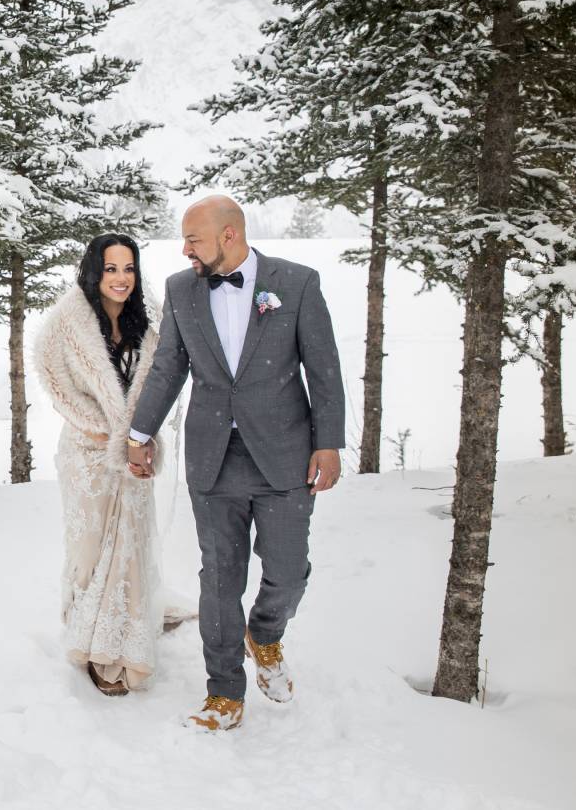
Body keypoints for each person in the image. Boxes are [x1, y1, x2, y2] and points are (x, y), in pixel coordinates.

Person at [129, 195, 344, 731]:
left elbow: (324, 369)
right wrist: (140, 432)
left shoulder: (295, 283)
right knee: (220, 579)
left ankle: (265, 634)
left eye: (193, 239)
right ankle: (224, 691)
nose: (185, 251)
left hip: (285, 455)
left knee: (289, 570)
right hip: (213, 458)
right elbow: (167, 368)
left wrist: (329, 443)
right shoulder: (182, 290)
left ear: (229, 235)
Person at [34, 233, 172, 695]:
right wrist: (107, 434)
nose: (121, 279)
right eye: (111, 269)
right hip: (88, 457)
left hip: (135, 455)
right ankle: (90, 641)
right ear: (94, 271)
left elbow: (157, 387)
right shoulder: (65, 324)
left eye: (128, 268)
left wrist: (140, 439)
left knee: (130, 546)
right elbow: (56, 385)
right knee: (91, 550)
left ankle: (124, 642)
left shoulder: (146, 324)